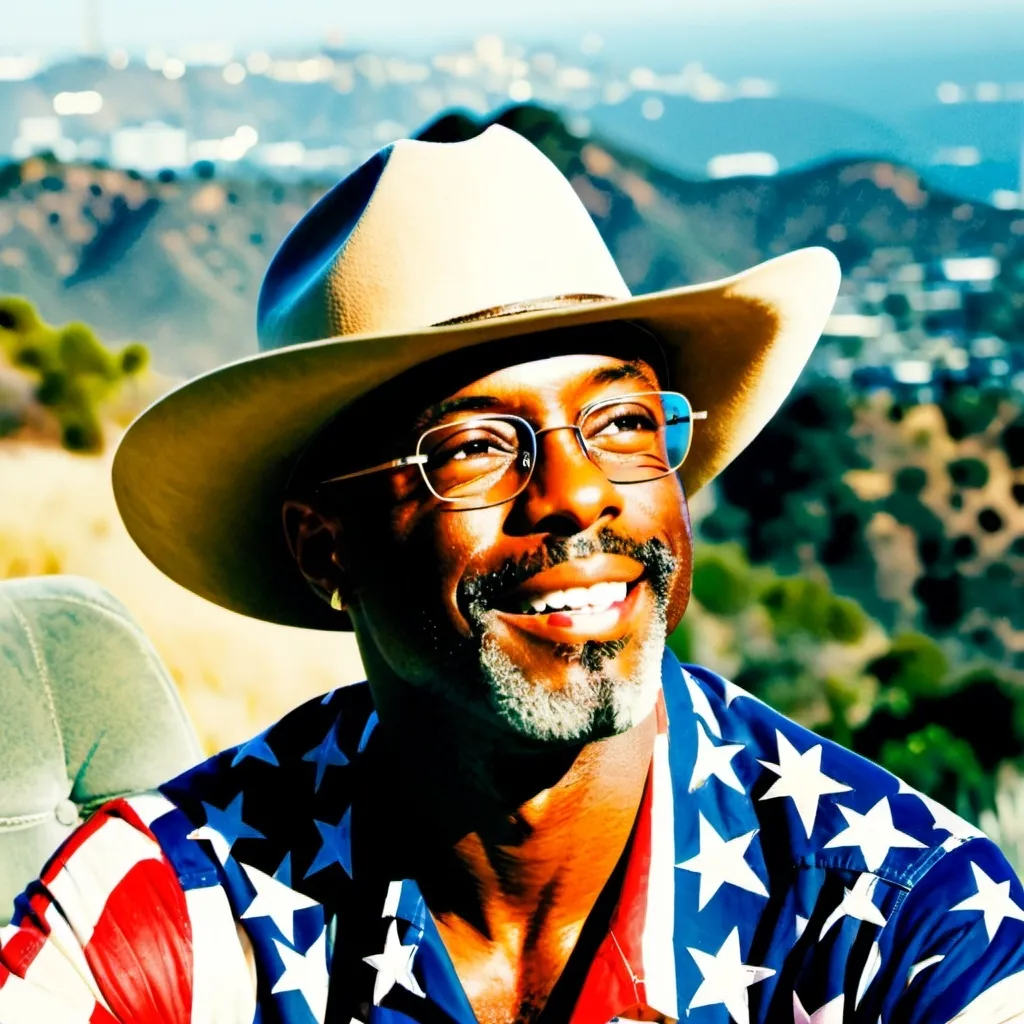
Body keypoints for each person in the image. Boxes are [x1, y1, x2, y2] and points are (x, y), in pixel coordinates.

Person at [1, 125, 1022, 1024]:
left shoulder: (892, 920)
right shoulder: (183, 909)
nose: (580, 496)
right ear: (326, 547)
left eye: (622, 422)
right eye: (474, 446)